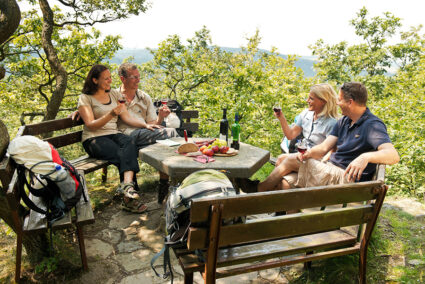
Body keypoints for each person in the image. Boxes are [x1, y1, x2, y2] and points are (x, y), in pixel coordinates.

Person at [240, 82, 399, 193]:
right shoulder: (344, 121)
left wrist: (365, 157)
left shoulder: (372, 125)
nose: (336, 103)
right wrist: (306, 154)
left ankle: (258, 190)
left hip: (345, 179)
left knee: (287, 160)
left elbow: (393, 156)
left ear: (350, 102)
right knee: (286, 182)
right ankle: (290, 229)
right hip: (330, 170)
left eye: (339, 99)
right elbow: (323, 148)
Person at [78, 64, 157, 213]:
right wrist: (111, 114)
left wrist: (145, 125)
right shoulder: (85, 98)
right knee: (123, 154)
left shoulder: (114, 94)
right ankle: (129, 195)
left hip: (113, 134)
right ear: (94, 80)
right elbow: (91, 125)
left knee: (130, 142)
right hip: (94, 139)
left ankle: (126, 188)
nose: (110, 81)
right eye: (105, 78)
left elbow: (127, 117)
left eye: (110, 77)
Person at [237, 83, 339, 192]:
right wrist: (281, 118)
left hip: (317, 162)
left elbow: (331, 151)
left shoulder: (332, 123)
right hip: (303, 157)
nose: (307, 101)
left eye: (311, 98)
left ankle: (259, 188)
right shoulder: (306, 114)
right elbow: (290, 135)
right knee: (283, 179)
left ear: (323, 101)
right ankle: (270, 196)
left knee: (286, 159)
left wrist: (319, 160)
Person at [111, 63, 179, 204]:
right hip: (124, 137)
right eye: (134, 77)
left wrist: (160, 117)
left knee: (165, 145)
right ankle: (170, 183)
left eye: (139, 77)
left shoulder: (144, 97)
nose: (138, 80)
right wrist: (78, 111)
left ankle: (164, 184)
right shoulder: (113, 96)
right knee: (171, 133)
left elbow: (153, 123)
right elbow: (95, 104)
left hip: (143, 135)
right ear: (122, 79)